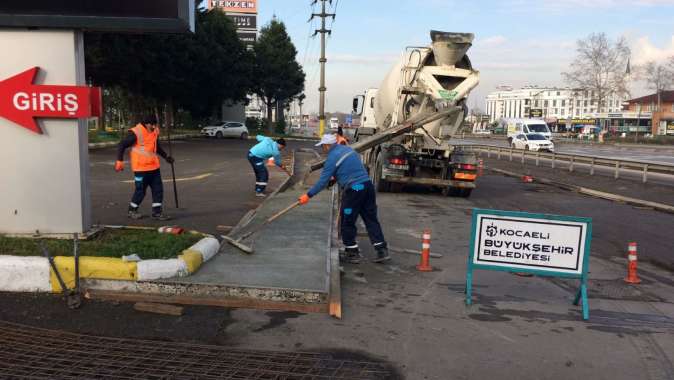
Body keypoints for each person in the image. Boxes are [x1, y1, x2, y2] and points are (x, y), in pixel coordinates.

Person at [298, 134, 390, 264]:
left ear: (327, 145)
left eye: (323, 146)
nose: (322, 149)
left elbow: (322, 182)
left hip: (356, 189)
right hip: (368, 187)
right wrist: (336, 178)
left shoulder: (331, 158)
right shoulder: (349, 150)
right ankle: (382, 250)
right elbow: (350, 168)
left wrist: (308, 195)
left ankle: (352, 252)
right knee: (370, 219)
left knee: (347, 219)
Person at [115, 115, 174, 220]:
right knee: (140, 191)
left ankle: (157, 213)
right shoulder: (135, 133)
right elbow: (122, 144)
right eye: (153, 125)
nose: (154, 127)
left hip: (154, 167)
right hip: (140, 169)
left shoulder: (154, 131)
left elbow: (157, 147)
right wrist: (120, 160)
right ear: (147, 124)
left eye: (155, 125)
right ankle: (132, 210)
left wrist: (166, 157)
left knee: (158, 190)